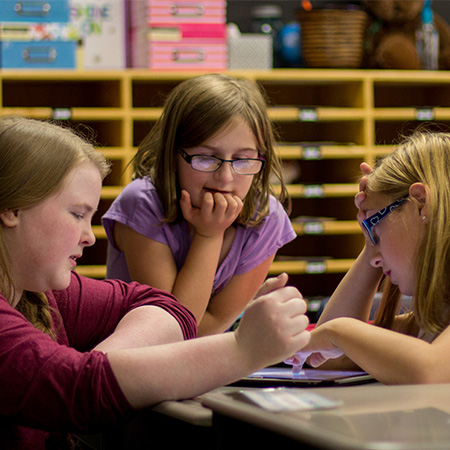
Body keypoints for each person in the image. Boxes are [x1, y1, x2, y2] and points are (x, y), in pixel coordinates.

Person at [0, 115, 311, 450]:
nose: (90, 237)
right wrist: (243, 350)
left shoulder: (46, 295)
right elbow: (78, 393)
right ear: (12, 209)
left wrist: (103, 367)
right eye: (77, 214)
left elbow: (165, 304)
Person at [102, 73, 296, 336]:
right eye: (205, 158)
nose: (225, 178)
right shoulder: (142, 204)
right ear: (172, 154)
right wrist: (209, 234)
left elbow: (215, 323)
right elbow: (172, 331)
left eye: (243, 159)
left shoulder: (267, 218)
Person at [286, 129, 450, 385]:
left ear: (420, 203)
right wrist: (373, 240)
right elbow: (327, 359)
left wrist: (339, 332)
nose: (374, 258)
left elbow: (431, 373)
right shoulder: (434, 315)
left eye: (374, 227)